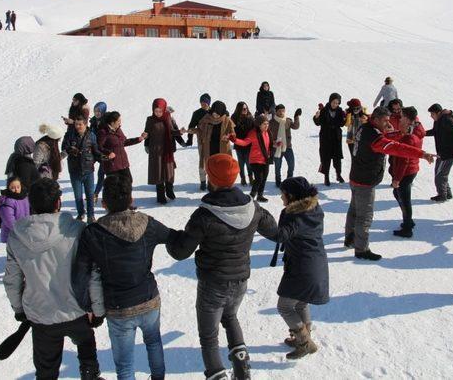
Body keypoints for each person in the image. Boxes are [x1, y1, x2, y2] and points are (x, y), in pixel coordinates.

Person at [166, 154, 278, 380]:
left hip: (212, 283)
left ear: (212, 177)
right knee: (230, 317)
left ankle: (217, 375)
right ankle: (242, 370)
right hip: (240, 280)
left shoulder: (204, 215)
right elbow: (274, 231)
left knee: (209, 337)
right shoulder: (252, 207)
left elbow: (180, 252)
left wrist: (168, 236)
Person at [73, 174, 186, 380]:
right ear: (131, 199)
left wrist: (88, 307)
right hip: (149, 299)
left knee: (125, 364)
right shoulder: (147, 223)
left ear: (104, 202)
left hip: (118, 308)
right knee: (154, 342)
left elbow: (80, 274)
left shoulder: (93, 233)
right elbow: (174, 237)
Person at [3, 178, 105, 379]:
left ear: (31, 204)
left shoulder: (16, 236)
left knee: (46, 369)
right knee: (86, 346)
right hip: (77, 310)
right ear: (58, 202)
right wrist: (97, 309)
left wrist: (19, 309)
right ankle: (90, 374)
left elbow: (12, 279)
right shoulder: (77, 230)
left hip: (41, 314)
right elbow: (92, 273)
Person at [345, 107, 435, 260]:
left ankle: (350, 238)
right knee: (364, 217)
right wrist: (421, 154)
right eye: (385, 120)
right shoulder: (374, 137)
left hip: (356, 177)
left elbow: (385, 138)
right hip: (365, 182)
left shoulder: (366, 128)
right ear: (377, 119)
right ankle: (361, 249)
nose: (388, 123)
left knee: (354, 210)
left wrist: (399, 133)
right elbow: (396, 148)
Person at [264, 177, 328, 359]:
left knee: (284, 306)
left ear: (291, 196)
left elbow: (281, 235)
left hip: (303, 267)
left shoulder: (296, 217)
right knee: (300, 302)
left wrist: (262, 219)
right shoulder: (314, 209)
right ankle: (304, 337)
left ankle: (304, 342)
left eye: (283, 195)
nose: (281, 198)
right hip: (315, 263)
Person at [390, 107, 425, 238]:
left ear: (408, 118)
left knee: (404, 199)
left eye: (402, 116)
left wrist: (397, 179)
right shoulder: (417, 128)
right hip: (412, 168)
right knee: (399, 194)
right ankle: (408, 221)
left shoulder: (408, 137)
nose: (400, 118)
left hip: (406, 171)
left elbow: (404, 160)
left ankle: (407, 227)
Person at [62, 116, 104, 223]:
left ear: (85, 124)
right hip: (74, 170)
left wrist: (103, 158)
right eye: (76, 124)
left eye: (80, 124)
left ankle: (91, 215)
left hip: (88, 169)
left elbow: (96, 151)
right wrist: (71, 150)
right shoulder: (69, 135)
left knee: (90, 195)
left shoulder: (91, 136)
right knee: (78, 196)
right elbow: (64, 147)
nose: (78, 126)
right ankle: (81, 213)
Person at [144, 98, 185, 204]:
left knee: (168, 170)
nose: (158, 113)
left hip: (167, 150)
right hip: (155, 150)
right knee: (158, 172)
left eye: (160, 111)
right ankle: (160, 195)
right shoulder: (150, 120)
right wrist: (146, 144)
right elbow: (147, 133)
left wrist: (179, 132)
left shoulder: (168, 118)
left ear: (164, 110)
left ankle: (169, 190)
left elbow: (172, 132)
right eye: (155, 111)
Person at [190, 100, 235, 191]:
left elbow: (233, 134)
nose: (215, 116)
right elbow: (199, 130)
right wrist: (191, 131)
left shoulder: (226, 120)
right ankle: (211, 189)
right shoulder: (206, 119)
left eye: (218, 114)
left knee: (222, 169)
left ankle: (222, 189)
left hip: (222, 150)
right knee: (210, 169)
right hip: (209, 149)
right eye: (214, 113)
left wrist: (228, 136)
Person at [426, 103, 453, 202]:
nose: (431, 116)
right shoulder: (439, 121)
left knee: (440, 175)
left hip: (449, 153)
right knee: (441, 173)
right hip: (442, 153)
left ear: (438, 113)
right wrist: (422, 133)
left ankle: (442, 195)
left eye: (432, 114)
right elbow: (435, 131)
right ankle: (447, 194)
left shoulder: (447, 120)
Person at [230, 114, 275, 203]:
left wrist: (276, 144)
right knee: (259, 178)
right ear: (259, 124)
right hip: (255, 160)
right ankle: (251, 196)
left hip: (265, 159)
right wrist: (234, 140)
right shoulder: (253, 133)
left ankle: (260, 195)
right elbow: (244, 143)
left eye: (267, 124)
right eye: (264, 124)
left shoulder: (268, 132)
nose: (266, 126)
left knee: (264, 178)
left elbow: (270, 145)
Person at [97, 111, 147, 185]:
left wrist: (139, 139)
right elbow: (99, 147)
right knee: (115, 186)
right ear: (112, 122)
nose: (120, 123)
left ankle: (127, 197)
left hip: (123, 163)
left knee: (128, 181)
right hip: (112, 165)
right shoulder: (103, 132)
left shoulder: (118, 130)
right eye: (118, 121)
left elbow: (124, 142)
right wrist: (108, 152)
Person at [313, 93, 346, 186]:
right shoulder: (324, 110)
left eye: (337, 103)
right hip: (325, 138)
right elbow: (318, 123)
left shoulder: (340, 111)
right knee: (325, 158)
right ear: (330, 101)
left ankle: (338, 174)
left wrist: (345, 117)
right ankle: (326, 177)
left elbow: (342, 124)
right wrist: (316, 117)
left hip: (336, 138)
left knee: (337, 158)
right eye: (334, 102)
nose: (335, 104)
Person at [269, 104, 301, 187]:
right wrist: (273, 142)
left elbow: (296, 126)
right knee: (277, 167)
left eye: (283, 110)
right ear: (276, 111)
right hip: (277, 147)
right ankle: (278, 181)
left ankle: (289, 180)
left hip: (288, 147)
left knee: (291, 165)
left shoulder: (288, 120)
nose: (281, 112)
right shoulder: (271, 122)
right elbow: (267, 134)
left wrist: (296, 117)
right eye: (279, 111)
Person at [0, 176, 30, 243]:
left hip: (23, 233)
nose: (16, 189)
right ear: (8, 188)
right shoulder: (7, 202)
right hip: (12, 236)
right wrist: (21, 232)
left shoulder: (24, 197)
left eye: (18, 187)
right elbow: (9, 222)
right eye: (13, 188)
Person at [231, 101, 255, 186]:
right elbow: (231, 129)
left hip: (248, 145)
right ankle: (242, 178)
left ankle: (251, 177)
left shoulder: (250, 118)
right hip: (238, 145)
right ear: (239, 109)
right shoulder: (234, 118)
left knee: (249, 163)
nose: (245, 110)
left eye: (246, 108)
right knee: (241, 163)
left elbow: (254, 129)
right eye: (243, 109)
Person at [90, 102, 108, 202]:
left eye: (98, 111)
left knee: (101, 173)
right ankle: (93, 193)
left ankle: (95, 194)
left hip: (103, 151)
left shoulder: (107, 122)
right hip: (94, 150)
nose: (96, 113)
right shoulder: (93, 121)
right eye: (95, 111)